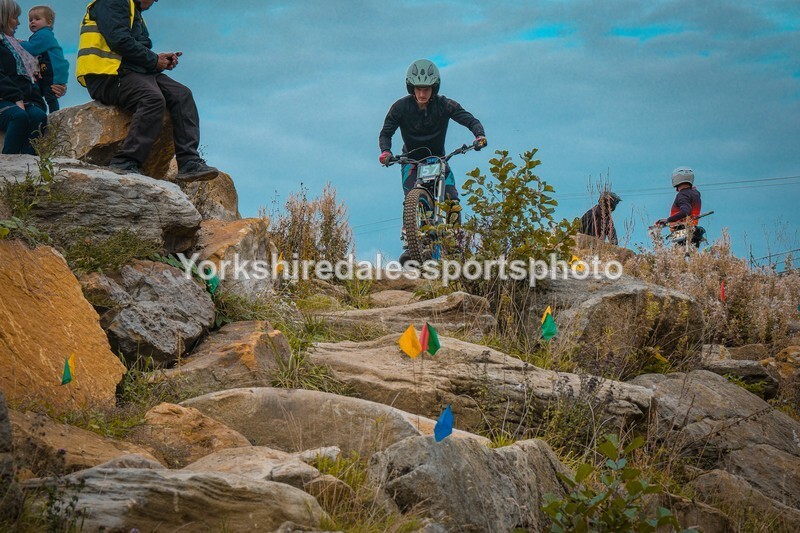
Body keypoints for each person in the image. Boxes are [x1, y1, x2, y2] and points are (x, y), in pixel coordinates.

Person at [76, 0, 218, 182]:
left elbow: (133, 46)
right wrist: (153, 60)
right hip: (107, 75)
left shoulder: (133, 9)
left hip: (131, 71)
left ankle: (189, 162)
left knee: (182, 94)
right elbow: (118, 40)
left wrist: (158, 60)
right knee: (151, 98)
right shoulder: (113, 1)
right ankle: (125, 162)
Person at [378, 59, 487, 255]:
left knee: (452, 200)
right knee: (410, 196)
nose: (421, 94)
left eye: (426, 89)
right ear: (411, 87)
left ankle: (454, 240)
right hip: (410, 161)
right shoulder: (400, 107)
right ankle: (410, 235)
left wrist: (479, 135)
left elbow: (469, 119)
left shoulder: (444, 105)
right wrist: (385, 152)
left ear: (434, 87)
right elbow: (386, 133)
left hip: (437, 159)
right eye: (418, 89)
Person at [0, 0, 46, 154]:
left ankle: (28, 165)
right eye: (14, 17)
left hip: (19, 98)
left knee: (39, 116)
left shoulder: (13, 45)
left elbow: (26, 78)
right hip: (6, 99)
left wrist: (38, 102)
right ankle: (8, 166)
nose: (18, 22)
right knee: (18, 117)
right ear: (3, 17)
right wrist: (17, 98)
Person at [20, 5, 67, 113]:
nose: (32, 22)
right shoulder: (41, 35)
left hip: (51, 72)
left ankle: (54, 115)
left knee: (50, 94)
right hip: (46, 72)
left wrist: (19, 44)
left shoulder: (44, 35)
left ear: (49, 22)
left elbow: (32, 49)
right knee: (45, 93)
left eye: (37, 19)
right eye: (30, 20)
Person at [655, 166, 705, 247]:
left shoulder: (682, 195)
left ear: (676, 179)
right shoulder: (695, 193)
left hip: (681, 231)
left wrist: (668, 220)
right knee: (691, 255)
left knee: (678, 256)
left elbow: (686, 211)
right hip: (693, 229)